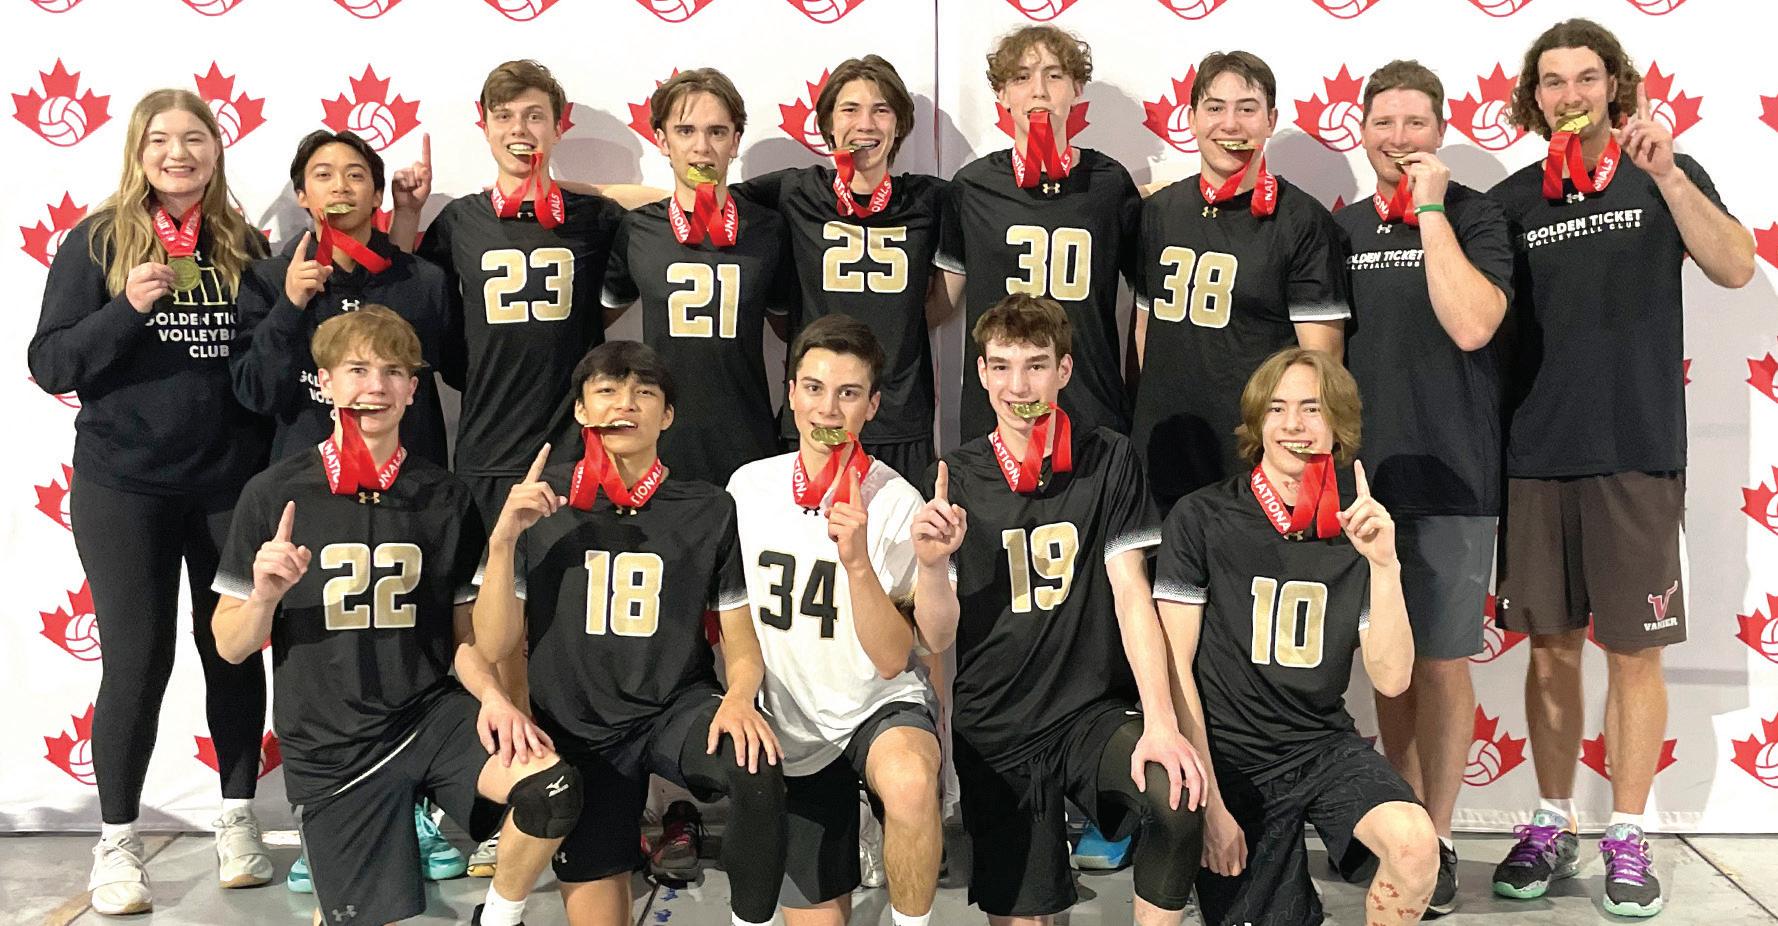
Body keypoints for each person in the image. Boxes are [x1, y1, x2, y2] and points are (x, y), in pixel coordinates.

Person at [1487, 18, 1755, 918]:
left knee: (1635, 655)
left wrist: (1672, 175)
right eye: (1553, 81)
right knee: (1551, 652)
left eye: (1586, 78)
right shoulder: (1512, 200)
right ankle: (1552, 821)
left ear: (1615, 87)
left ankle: (1630, 834)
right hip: (1535, 457)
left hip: (1637, 451)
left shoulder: (1661, 174)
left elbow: (1736, 266)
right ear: (1535, 98)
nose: (1570, 95)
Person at [210, 307, 579, 926]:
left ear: (412, 390)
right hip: (333, 743)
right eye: (356, 370)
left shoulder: (445, 495)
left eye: (392, 372)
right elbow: (229, 645)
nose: (374, 386)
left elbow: (466, 637)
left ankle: (498, 918)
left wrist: (494, 697)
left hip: (428, 717)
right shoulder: (273, 492)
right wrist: (265, 597)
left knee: (552, 788)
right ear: (325, 383)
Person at [28, 88, 272, 916]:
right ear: (138, 152)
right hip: (123, 487)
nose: (179, 153)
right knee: (136, 662)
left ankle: (238, 820)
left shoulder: (242, 243)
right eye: (161, 139)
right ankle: (118, 841)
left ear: (215, 150)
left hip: (227, 486)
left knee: (231, 651)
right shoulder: (96, 239)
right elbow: (52, 363)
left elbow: (261, 366)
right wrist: (128, 308)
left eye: (194, 138)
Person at [393, 60, 627, 873]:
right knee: (490, 641)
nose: (520, 131)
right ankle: (510, 801)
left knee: (571, 637)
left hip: (572, 459)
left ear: (560, 125)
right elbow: (405, 296)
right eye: (505, 117)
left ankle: (586, 799)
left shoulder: (593, 219)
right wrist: (408, 214)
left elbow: (650, 221)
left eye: (535, 116)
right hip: (485, 456)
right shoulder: (458, 220)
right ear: (483, 124)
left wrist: (582, 190)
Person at [473, 340, 788, 926]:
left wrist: (741, 697)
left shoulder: (709, 508)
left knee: (754, 765)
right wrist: (503, 541)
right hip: (577, 729)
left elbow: (742, 643)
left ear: (667, 415)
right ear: (581, 410)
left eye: (644, 393)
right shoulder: (540, 503)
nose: (625, 404)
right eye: (607, 391)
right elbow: (491, 646)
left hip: (674, 710)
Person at [921, 294, 1204, 924]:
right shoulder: (955, 477)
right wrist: (932, 564)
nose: (1019, 387)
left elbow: (1131, 593)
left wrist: (1161, 721)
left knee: (1175, 798)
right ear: (981, 373)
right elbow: (937, 637)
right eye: (1002, 366)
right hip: (997, 727)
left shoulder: (1109, 458)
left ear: (1065, 370)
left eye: (1036, 366)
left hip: (1087, 715)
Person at [1154, 347, 1439, 926]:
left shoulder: (1360, 528)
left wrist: (1385, 566)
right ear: (1258, 423)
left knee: (1415, 845)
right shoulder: (1202, 517)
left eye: (1312, 408)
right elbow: (1173, 667)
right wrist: (1211, 806)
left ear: (1338, 425)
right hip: (1232, 756)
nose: (1293, 425)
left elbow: (1392, 679)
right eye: (1277, 408)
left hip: (1321, 745)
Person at [1335, 59, 1514, 917]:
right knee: (1389, 669)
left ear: (1441, 131)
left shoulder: (1477, 216)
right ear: (1361, 130)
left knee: (1440, 665)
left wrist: (1432, 210)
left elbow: (1473, 324)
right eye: (1384, 123)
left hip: (1453, 475)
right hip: (1364, 483)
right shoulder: (1341, 228)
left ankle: (1439, 840)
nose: (1399, 139)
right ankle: (1401, 826)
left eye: (1415, 123)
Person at [727, 316, 944, 926]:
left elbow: (893, 658)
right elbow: (729, 617)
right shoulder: (748, 488)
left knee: (909, 782)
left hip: (876, 705)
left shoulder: (896, 501)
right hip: (791, 721)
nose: (828, 409)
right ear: (791, 394)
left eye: (848, 393)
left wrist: (857, 564)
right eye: (814, 388)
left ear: (872, 406)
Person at [1133, 50, 1347, 510]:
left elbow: (1321, 362)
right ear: (1192, 119)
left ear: (1270, 120)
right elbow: (1145, 331)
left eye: (1247, 109)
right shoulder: (1159, 213)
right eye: (1215, 108)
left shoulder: (1303, 221)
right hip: (1162, 456)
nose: (1230, 125)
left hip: (1253, 464)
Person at [729, 54, 949, 478]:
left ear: (899, 125)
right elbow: (701, 201)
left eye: (881, 110)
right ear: (828, 124)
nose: (865, 124)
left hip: (900, 421)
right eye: (850, 109)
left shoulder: (930, 199)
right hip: (814, 417)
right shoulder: (795, 191)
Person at [936, 25, 1143, 441]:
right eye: (1021, 77)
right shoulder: (973, 187)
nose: (1039, 91)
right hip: (997, 414)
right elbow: (941, 302)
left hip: (1091, 408)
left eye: (1054, 75)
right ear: (1002, 94)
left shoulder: (1109, 184)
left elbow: (1146, 309)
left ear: (1076, 88)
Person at [603, 67, 795, 487]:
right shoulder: (637, 230)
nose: (702, 147)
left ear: (735, 141)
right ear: (662, 140)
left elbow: (788, 331)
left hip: (748, 440)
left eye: (717, 132)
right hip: (660, 442)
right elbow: (594, 324)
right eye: (685, 130)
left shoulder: (768, 230)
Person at [233, 129, 453, 467]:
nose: (340, 187)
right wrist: (290, 305)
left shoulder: (423, 280)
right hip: (305, 479)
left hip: (409, 481)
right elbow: (257, 395)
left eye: (355, 175)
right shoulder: (268, 280)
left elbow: (456, 371)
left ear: (377, 196)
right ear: (302, 195)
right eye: (323, 175)